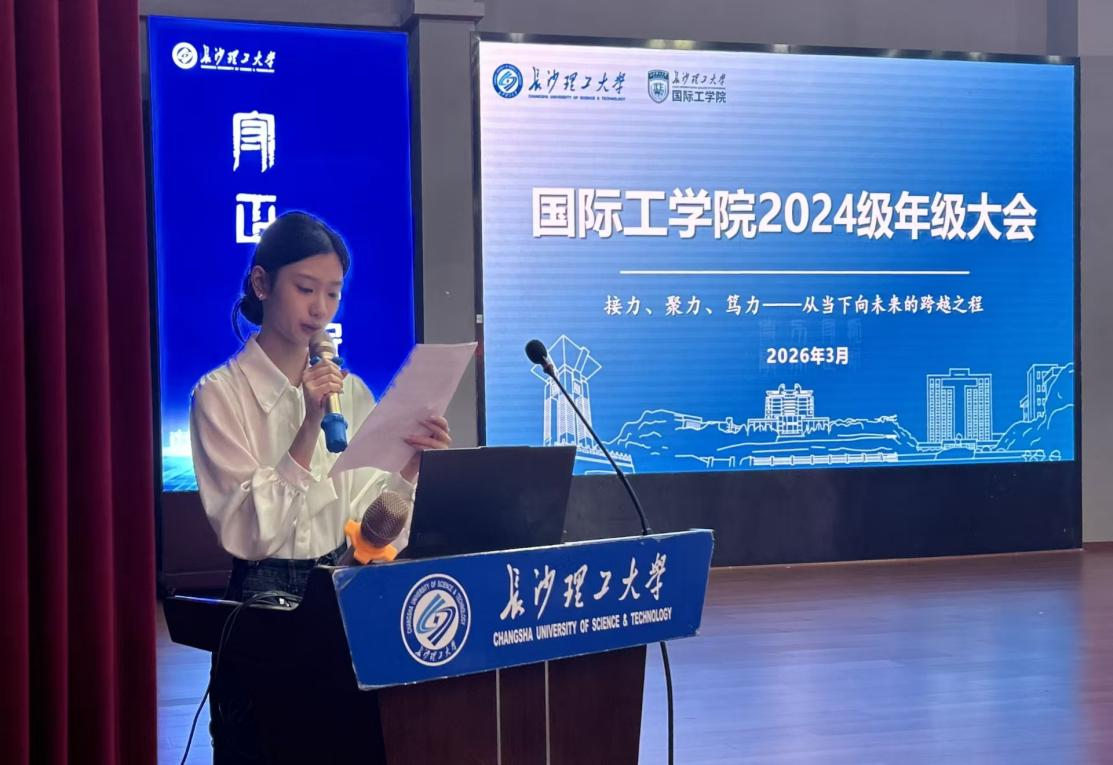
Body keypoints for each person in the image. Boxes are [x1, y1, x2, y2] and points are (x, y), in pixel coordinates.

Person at [188, 211, 450, 762]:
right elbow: (250, 530)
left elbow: (372, 532)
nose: (320, 309)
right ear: (262, 284)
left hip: (343, 598)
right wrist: (309, 424)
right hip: (262, 610)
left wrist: (409, 470)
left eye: (333, 294)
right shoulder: (218, 395)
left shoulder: (352, 392)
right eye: (306, 289)